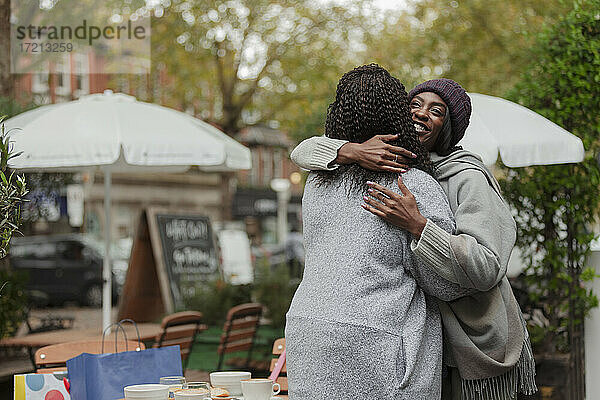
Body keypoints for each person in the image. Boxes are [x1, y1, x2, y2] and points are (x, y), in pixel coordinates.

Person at [290, 77, 537, 400]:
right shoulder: (381, 164)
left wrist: (419, 225)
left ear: (447, 128)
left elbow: (486, 267)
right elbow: (303, 151)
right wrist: (351, 150)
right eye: (415, 105)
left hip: (471, 328)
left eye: (437, 111)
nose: (422, 114)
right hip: (420, 333)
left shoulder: (465, 177)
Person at [285, 64, 472, 400]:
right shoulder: (412, 185)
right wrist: (421, 229)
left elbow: (304, 151)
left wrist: (346, 151)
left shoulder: (316, 182)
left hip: (307, 336)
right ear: (399, 115)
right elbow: (446, 284)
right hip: (379, 344)